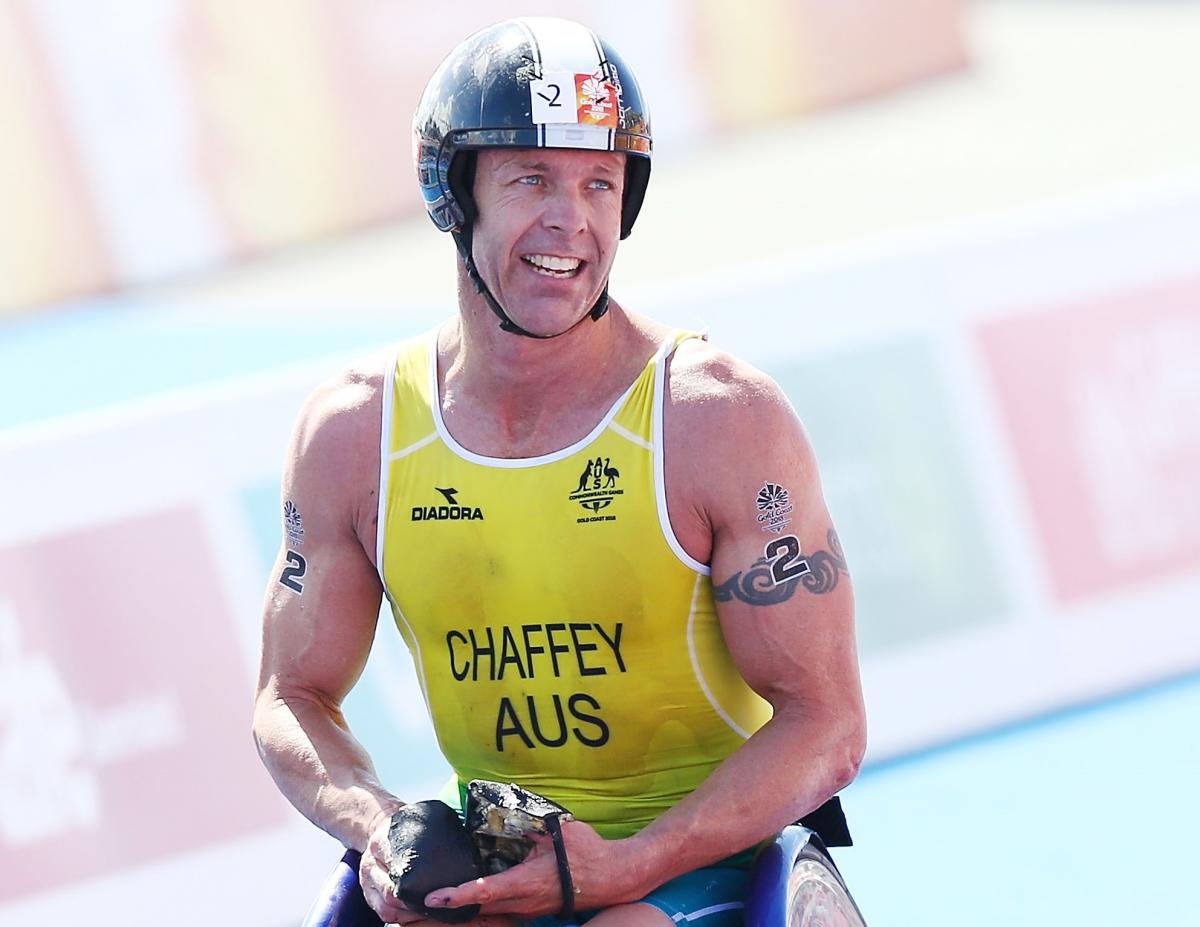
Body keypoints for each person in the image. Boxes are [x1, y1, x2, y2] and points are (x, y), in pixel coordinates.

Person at [253, 16, 866, 927]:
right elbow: (289, 697)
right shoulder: (354, 434)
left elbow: (828, 722)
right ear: (454, 196)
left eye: (599, 183)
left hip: (703, 867)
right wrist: (376, 825)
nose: (568, 221)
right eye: (531, 179)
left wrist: (623, 868)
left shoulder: (719, 419)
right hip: (495, 874)